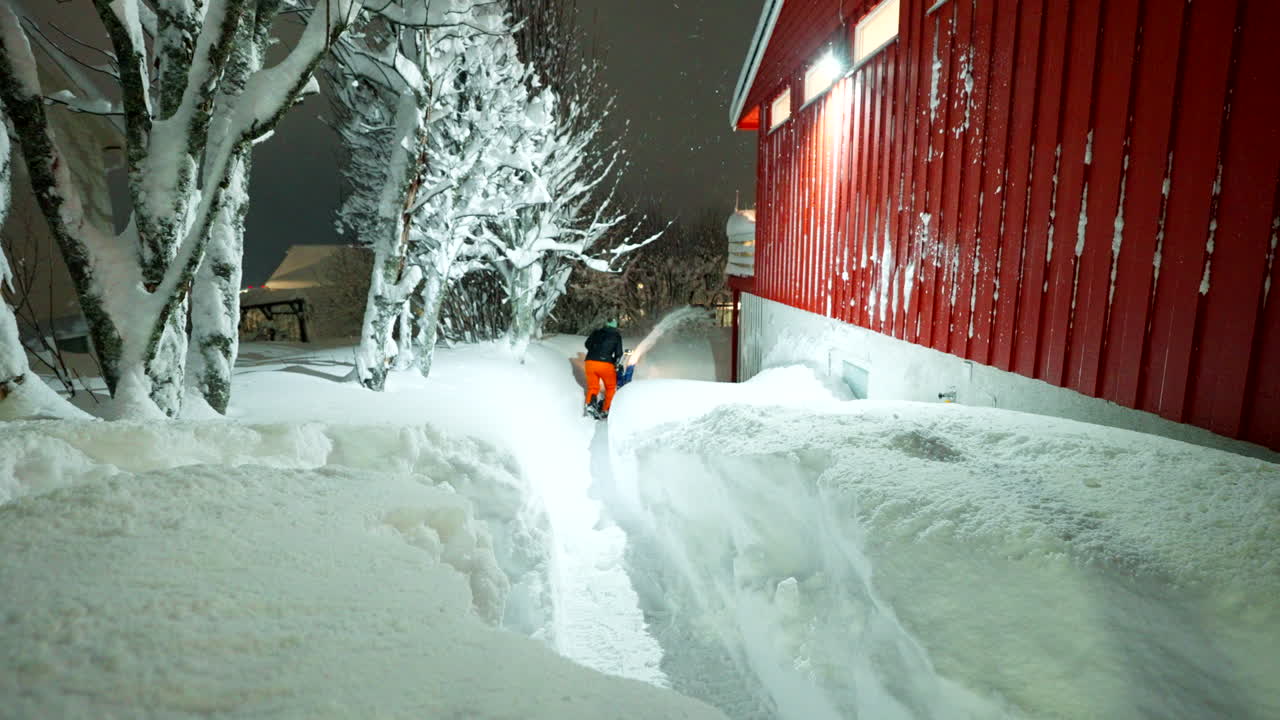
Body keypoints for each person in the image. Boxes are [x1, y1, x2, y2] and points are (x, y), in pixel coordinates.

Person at [583, 318, 623, 418]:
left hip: (590, 363)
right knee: (610, 387)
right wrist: (615, 361)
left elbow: (587, 344)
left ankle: (590, 405)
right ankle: (606, 409)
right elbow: (619, 353)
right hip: (606, 365)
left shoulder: (596, 332)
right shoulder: (616, 336)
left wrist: (595, 351)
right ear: (615, 326)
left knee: (593, 387)